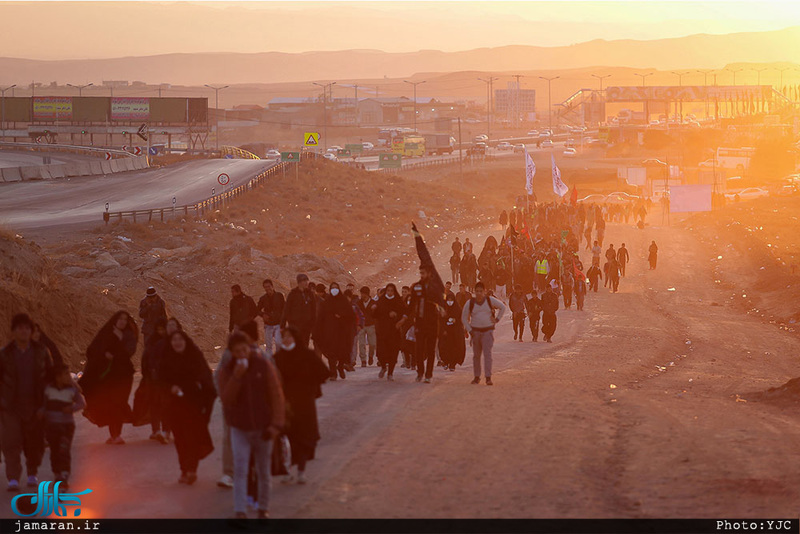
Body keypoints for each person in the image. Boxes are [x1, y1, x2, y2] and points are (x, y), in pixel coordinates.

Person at [218, 333, 285, 520]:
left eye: (244, 350)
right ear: (232, 353)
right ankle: (240, 510)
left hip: (263, 428)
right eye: (237, 351)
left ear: (249, 348)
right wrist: (237, 377)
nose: (242, 354)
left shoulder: (262, 365)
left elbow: (276, 395)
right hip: (240, 428)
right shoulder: (228, 369)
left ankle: (263, 508)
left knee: (263, 470)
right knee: (240, 469)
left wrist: (276, 425)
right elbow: (226, 398)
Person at [0, 314, 53, 491]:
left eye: (27, 328)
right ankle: (13, 478)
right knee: (11, 442)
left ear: (31, 331)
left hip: (35, 405)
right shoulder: (5, 354)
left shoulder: (41, 352)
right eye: (20, 328)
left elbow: (50, 378)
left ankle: (32, 473)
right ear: (13, 331)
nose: (23, 331)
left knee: (34, 442)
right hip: (10, 406)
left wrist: (46, 404)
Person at [274, 327, 329, 484]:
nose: (286, 340)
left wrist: (310, 386)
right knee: (285, 439)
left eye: (289, 337)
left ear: (296, 338)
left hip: (305, 404)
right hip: (285, 405)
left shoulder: (307, 355)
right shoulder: (278, 358)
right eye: (284, 337)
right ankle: (286, 471)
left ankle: (301, 471)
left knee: (303, 438)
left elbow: (323, 373)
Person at [160, 330, 216, 485]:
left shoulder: (195, 357)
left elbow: (206, 378)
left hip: (193, 405)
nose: (177, 342)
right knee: (180, 439)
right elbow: (160, 382)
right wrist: (170, 388)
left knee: (192, 438)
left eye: (180, 339)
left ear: (186, 341)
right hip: (175, 406)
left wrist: (197, 387)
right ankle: (184, 469)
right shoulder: (167, 360)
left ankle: (191, 470)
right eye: (174, 340)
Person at [79, 311, 138, 445]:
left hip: (123, 374)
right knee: (110, 404)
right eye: (120, 319)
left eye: (125, 319)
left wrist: (119, 339)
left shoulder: (128, 335)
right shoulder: (106, 332)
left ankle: (116, 434)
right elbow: (93, 350)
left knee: (119, 402)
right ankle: (114, 435)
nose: (122, 322)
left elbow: (129, 352)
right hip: (107, 376)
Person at [43, 363, 84, 490]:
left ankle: (65, 474)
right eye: (66, 374)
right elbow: (42, 404)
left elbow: (81, 403)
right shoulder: (48, 389)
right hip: (51, 425)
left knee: (64, 449)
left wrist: (71, 408)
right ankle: (57, 474)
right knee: (55, 450)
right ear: (57, 377)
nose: (68, 377)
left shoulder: (72, 389)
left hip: (67, 425)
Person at [461, 282, 506, 386]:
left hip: (487, 332)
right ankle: (477, 377)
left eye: (481, 291)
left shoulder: (490, 300)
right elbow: (463, 317)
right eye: (477, 291)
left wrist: (497, 319)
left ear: (484, 291)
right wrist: (469, 330)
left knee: (487, 355)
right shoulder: (470, 302)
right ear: (474, 292)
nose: (479, 293)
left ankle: (488, 377)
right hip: (475, 332)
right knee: (476, 356)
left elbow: (502, 307)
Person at [137, 318, 170, 444]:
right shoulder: (152, 342)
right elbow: (146, 359)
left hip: (166, 380)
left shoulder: (171, 341)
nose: (161, 332)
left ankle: (166, 430)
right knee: (155, 405)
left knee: (166, 406)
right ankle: (156, 430)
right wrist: (147, 375)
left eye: (163, 329)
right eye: (159, 329)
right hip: (153, 379)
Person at [319, 282, 357, 380]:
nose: (334, 290)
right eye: (332, 288)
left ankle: (340, 367)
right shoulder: (326, 302)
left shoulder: (344, 301)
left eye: (336, 288)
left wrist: (342, 316)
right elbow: (321, 317)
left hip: (342, 333)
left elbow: (352, 316)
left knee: (342, 353)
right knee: (331, 353)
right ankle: (333, 373)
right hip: (330, 332)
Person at [373, 283, 406, 380]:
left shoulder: (398, 301)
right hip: (382, 331)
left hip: (393, 331)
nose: (390, 292)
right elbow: (375, 315)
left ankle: (390, 373)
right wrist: (374, 310)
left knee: (393, 352)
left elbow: (403, 313)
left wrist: (397, 317)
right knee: (381, 352)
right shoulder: (381, 301)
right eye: (388, 290)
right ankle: (383, 367)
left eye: (392, 291)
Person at [281, 274, 317, 348]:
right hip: (295, 325)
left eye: (307, 280)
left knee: (305, 345)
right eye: (304, 281)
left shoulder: (310, 294)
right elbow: (287, 309)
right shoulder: (292, 294)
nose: (307, 282)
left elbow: (313, 309)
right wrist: (282, 325)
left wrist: (313, 323)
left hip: (307, 326)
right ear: (299, 282)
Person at [256, 279, 285, 359]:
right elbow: (257, 310)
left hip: (278, 323)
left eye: (268, 286)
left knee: (278, 343)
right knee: (268, 345)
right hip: (268, 324)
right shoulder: (263, 298)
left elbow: (284, 309)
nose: (267, 288)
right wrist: (263, 315)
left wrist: (284, 323)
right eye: (265, 287)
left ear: (272, 286)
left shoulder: (279, 296)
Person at [438, 293, 466, 371]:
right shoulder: (444, 309)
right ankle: (445, 361)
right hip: (445, 333)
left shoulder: (457, 309)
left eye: (451, 300)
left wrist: (455, 320)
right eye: (448, 300)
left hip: (455, 333)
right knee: (444, 347)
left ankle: (452, 364)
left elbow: (461, 320)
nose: (450, 302)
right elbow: (440, 320)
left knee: (454, 348)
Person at [355, 287, 377, 367]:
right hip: (361, 326)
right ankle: (363, 360)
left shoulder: (374, 303)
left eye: (363, 293)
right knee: (361, 344)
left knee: (372, 344)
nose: (362, 295)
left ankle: (371, 356)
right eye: (361, 293)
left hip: (371, 325)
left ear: (367, 294)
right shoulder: (358, 303)